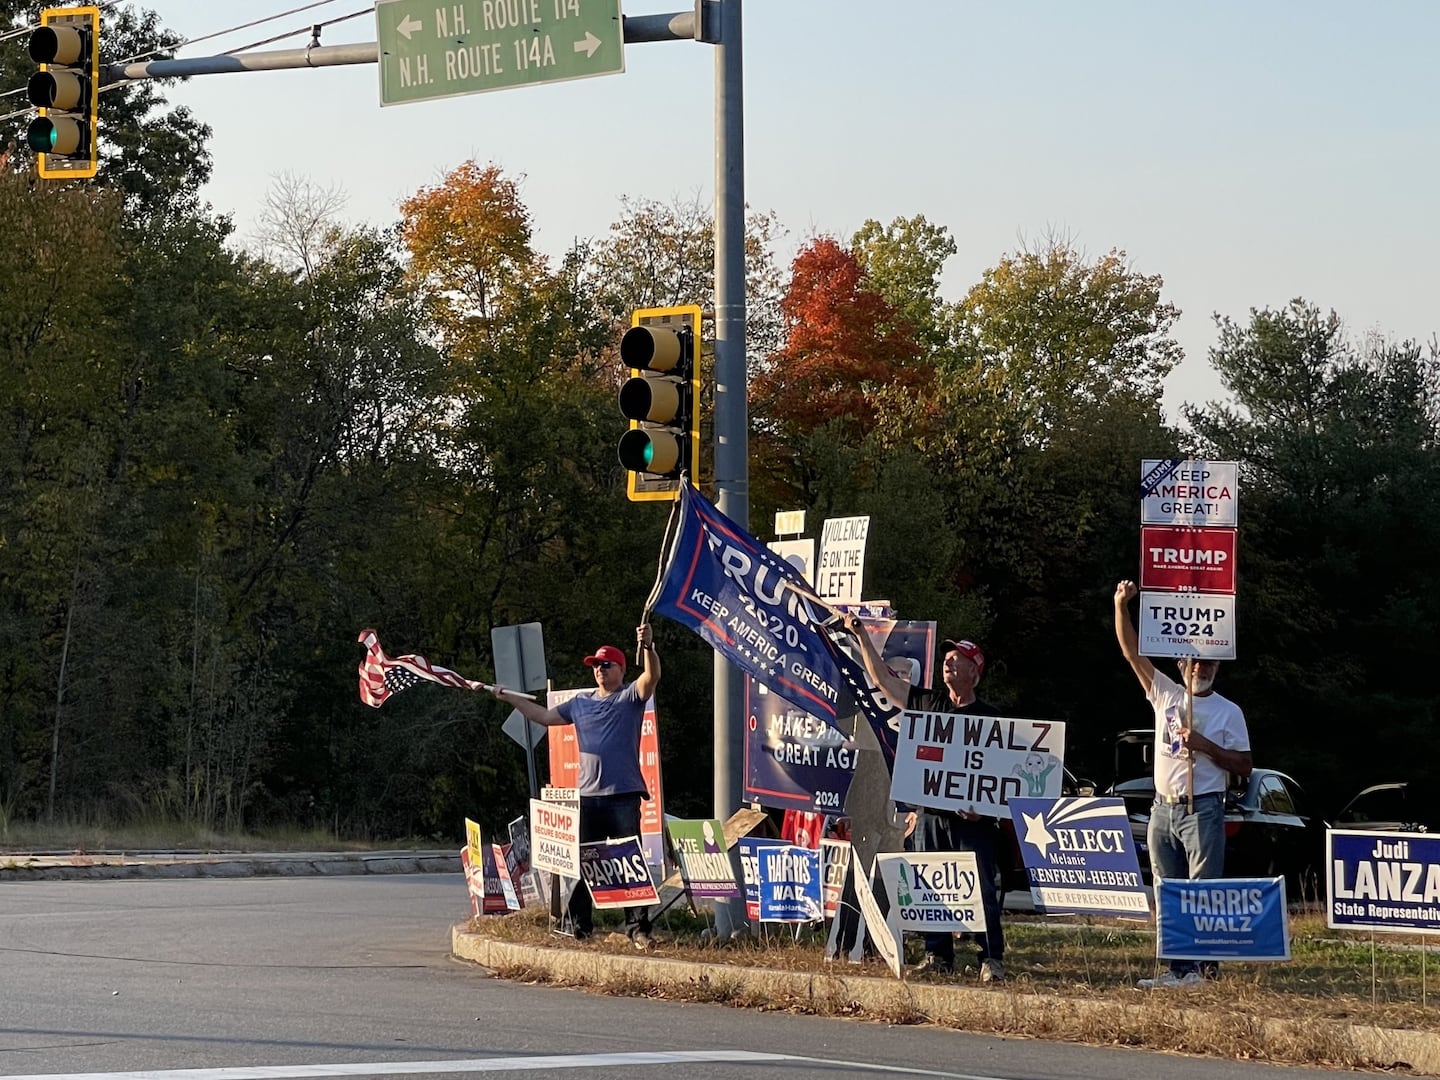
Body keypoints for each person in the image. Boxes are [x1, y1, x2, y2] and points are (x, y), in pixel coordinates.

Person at [842, 614, 1007, 983]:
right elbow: (883, 680)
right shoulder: (927, 703)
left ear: (974, 671)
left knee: (979, 887)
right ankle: (938, 955)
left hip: (973, 822)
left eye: (958, 658)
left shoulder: (991, 718)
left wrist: (986, 811)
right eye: (947, 657)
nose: (948, 661)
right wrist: (862, 637)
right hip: (930, 815)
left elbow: (1004, 777)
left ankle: (990, 958)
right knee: (931, 885)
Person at [1113, 580, 1252, 988]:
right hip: (1161, 808)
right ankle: (1177, 969)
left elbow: (1244, 766)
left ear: (1218, 666)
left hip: (1202, 807)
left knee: (1201, 893)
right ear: (1181, 665)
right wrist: (1122, 606)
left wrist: (1204, 746)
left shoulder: (1229, 712)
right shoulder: (1166, 695)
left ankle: (1205, 971)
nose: (1200, 668)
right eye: (1193, 662)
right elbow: (1131, 652)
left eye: (1208, 662)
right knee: (1168, 892)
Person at [492, 623, 660, 950]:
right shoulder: (580, 703)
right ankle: (579, 926)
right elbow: (542, 716)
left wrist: (649, 647)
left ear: (621, 669)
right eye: (595, 666)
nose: (599, 670)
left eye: (606, 665)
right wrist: (510, 697)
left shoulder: (630, 697)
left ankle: (638, 929)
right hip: (588, 797)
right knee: (583, 863)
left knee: (629, 864)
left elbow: (651, 677)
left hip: (623, 796)